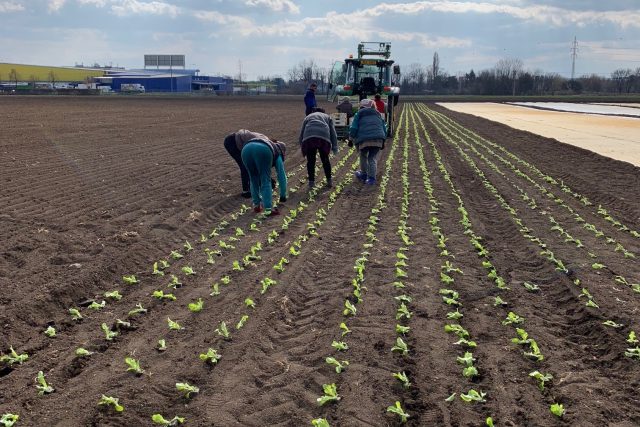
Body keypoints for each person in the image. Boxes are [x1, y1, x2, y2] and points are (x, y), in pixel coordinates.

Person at [241, 137, 287, 216]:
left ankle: (257, 206)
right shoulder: (278, 152)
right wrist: (283, 196)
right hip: (263, 150)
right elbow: (281, 175)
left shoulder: (269, 143)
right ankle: (268, 209)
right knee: (265, 179)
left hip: (246, 149)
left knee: (253, 178)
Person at [224, 130, 277, 198]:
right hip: (232, 142)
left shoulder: (265, 142)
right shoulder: (264, 145)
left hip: (240, 142)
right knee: (244, 166)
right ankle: (246, 191)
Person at [349, 98, 387, 186]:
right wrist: (383, 141)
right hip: (378, 138)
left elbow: (354, 128)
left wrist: (350, 139)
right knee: (372, 158)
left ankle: (364, 174)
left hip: (364, 139)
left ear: (361, 106)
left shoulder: (358, 114)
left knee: (363, 155)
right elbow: (384, 128)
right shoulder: (378, 114)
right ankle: (371, 179)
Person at [299, 107, 338, 189]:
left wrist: (302, 145)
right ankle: (329, 181)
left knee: (311, 161)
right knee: (325, 160)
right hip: (323, 137)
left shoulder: (308, 117)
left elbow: (302, 132)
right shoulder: (327, 116)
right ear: (323, 112)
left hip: (309, 137)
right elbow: (333, 133)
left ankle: (311, 183)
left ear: (313, 111)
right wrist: (334, 147)